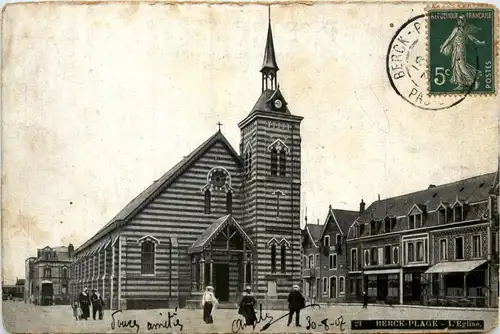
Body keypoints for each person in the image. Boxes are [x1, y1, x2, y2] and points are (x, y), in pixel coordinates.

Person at [439, 15, 486, 91]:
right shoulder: (461, 29)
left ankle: (474, 81)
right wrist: (479, 42)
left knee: (462, 67)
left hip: (459, 50)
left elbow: (450, 38)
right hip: (457, 49)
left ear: (463, 21)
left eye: (460, 20)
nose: (459, 22)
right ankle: (460, 84)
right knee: (456, 67)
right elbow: (450, 38)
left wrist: (442, 47)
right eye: (458, 20)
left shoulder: (459, 29)